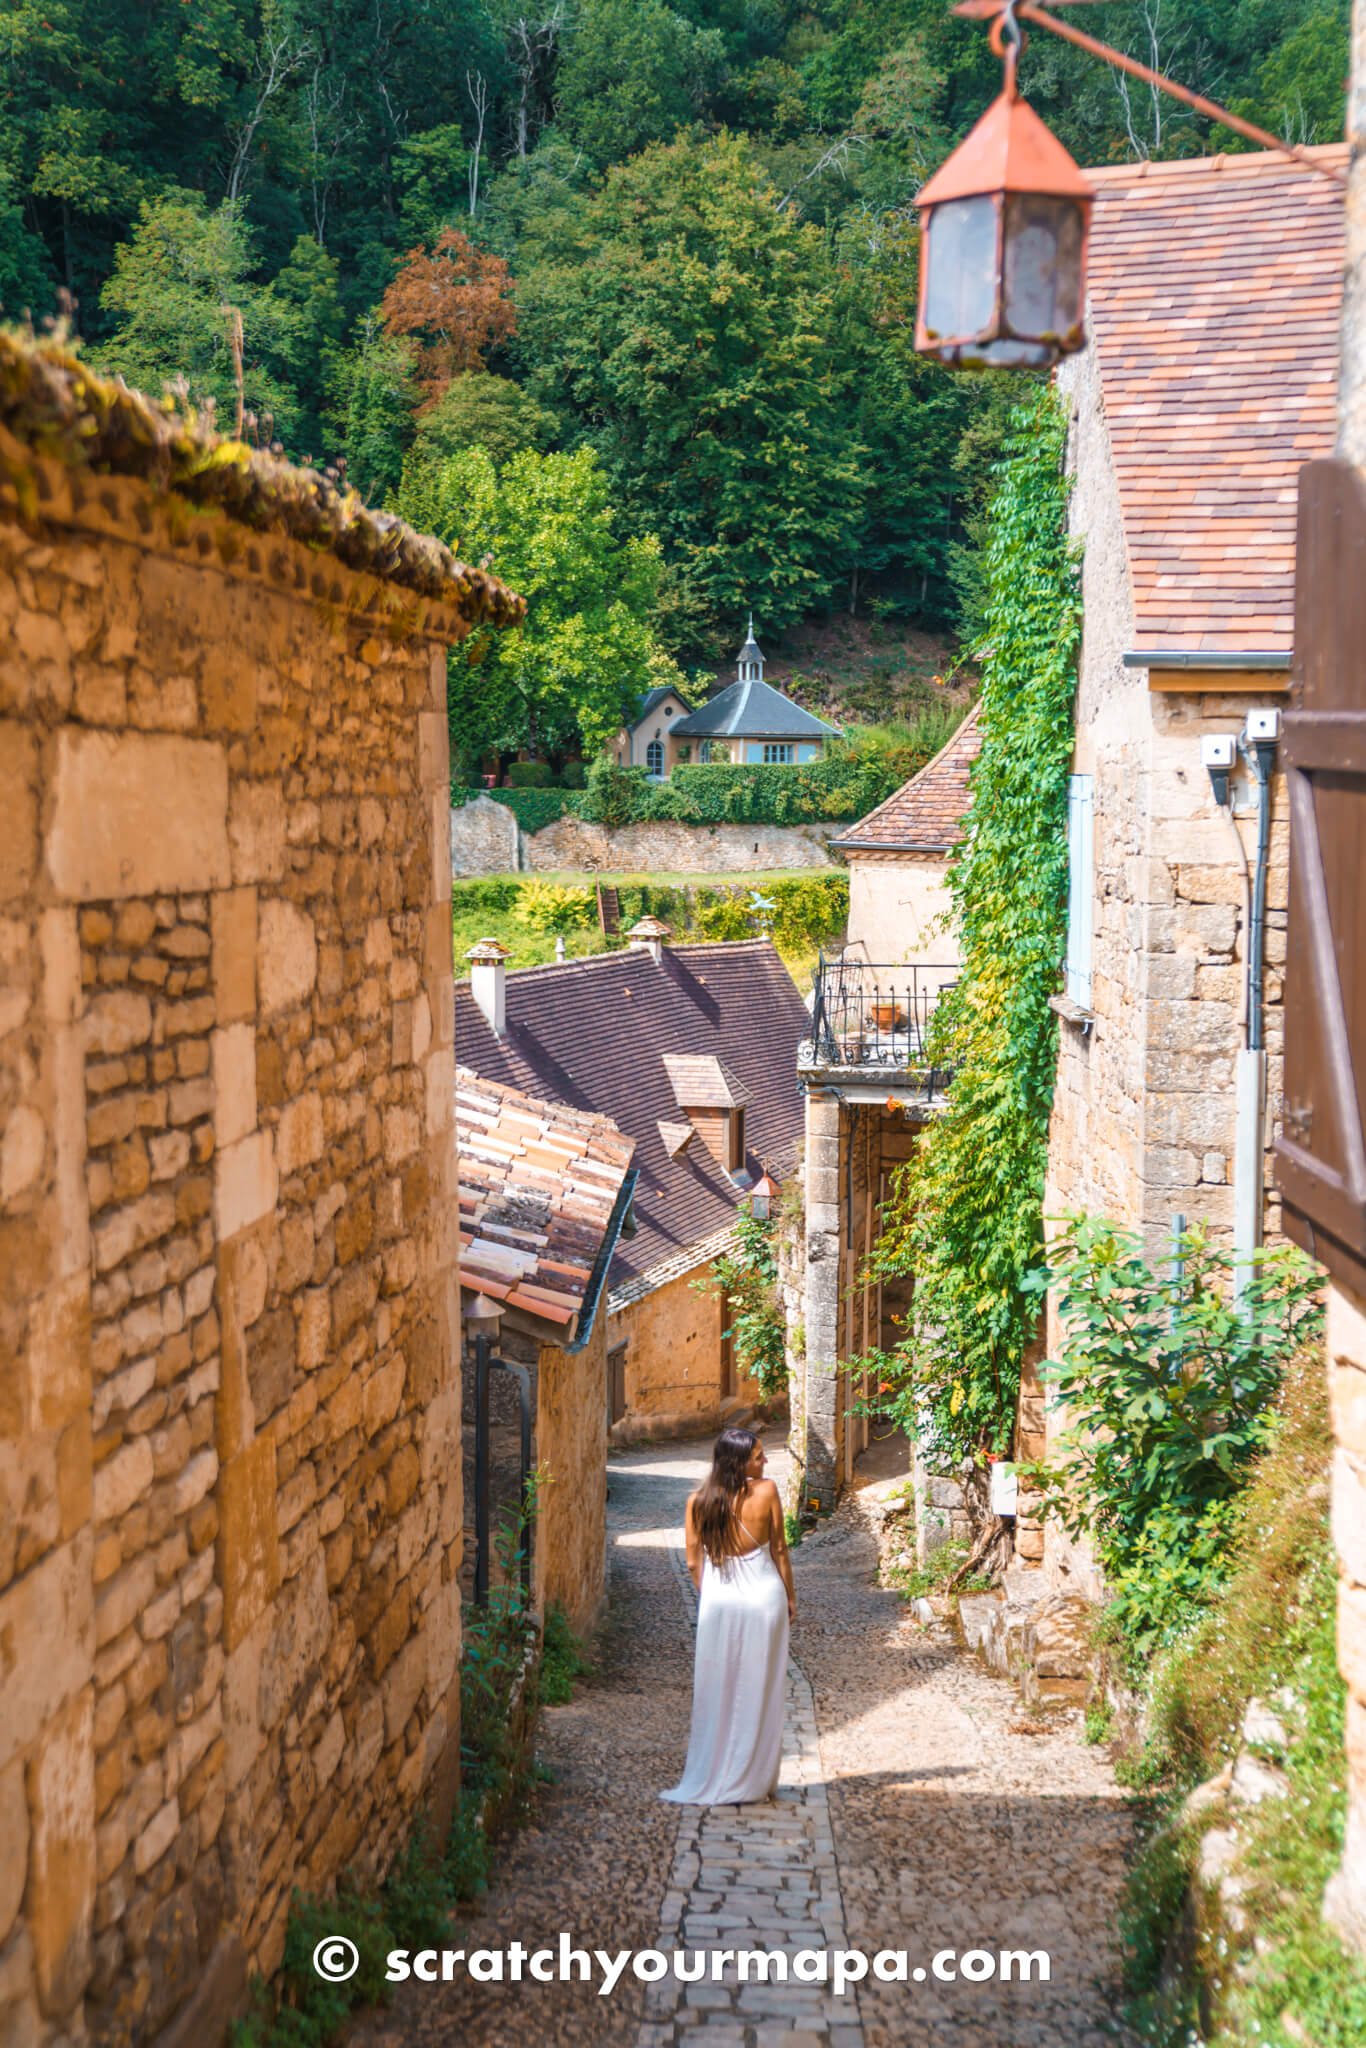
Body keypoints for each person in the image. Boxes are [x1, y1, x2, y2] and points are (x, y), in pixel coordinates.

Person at [661, 1428, 796, 1807]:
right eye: (758, 1456)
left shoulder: (696, 1501)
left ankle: (717, 1770)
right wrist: (791, 1597)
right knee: (762, 1686)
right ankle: (755, 1778)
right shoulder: (767, 1491)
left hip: (720, 1600)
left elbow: (692, 1561)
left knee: (717, 1686)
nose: (765, 1461)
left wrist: (714, 1597)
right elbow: (780, 1549)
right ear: (738, 1461)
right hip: (765, 1596)